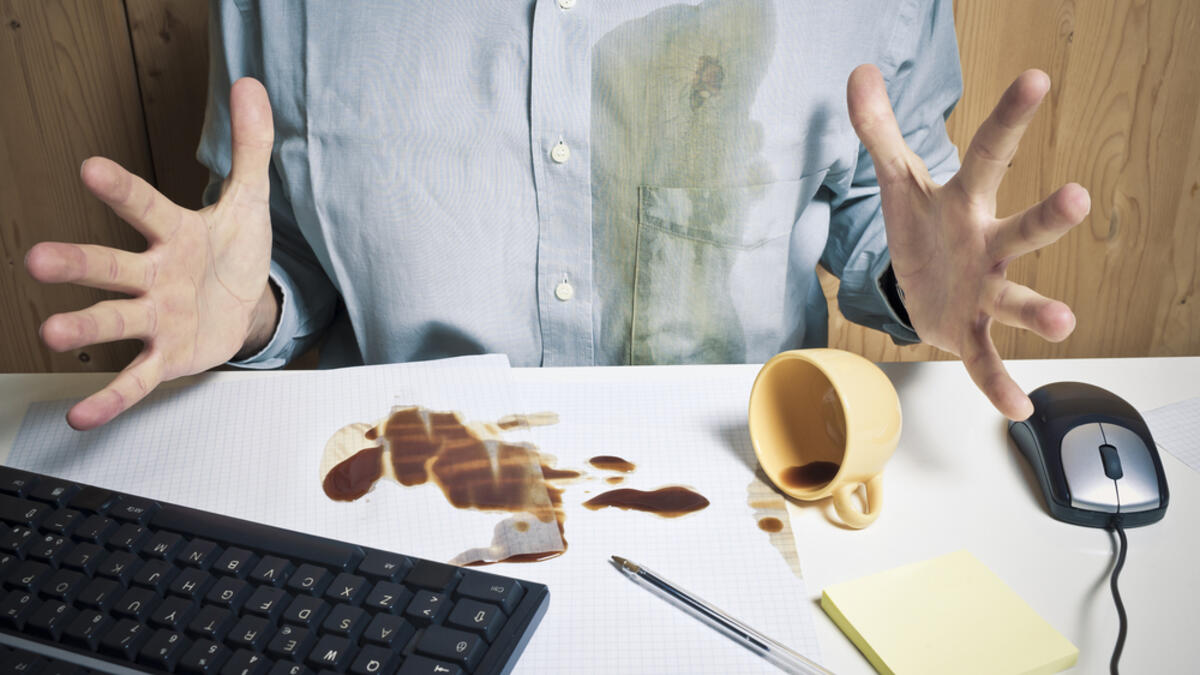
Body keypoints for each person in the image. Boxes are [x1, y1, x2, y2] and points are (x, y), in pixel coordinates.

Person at [25, 0, 1087, 431]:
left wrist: (916, 291)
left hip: (749, 496)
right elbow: (280, 251)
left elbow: (882, 217)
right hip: (399, 499)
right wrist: (252, 312)